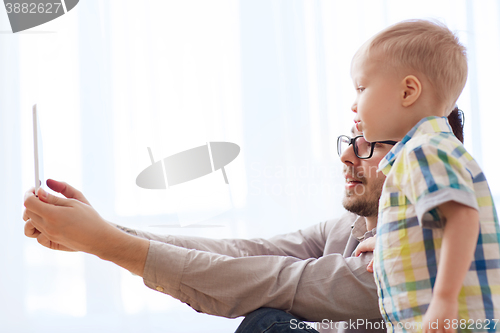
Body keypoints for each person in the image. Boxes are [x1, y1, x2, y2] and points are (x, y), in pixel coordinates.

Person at [22, 108, 465, 333]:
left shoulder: (417, 258)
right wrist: (100, 233)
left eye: (370, 144)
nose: (348, 154)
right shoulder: (346, 231)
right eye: (351, 139)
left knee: (269, 322)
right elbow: (245, 253)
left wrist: (106, 244)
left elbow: (271, 280)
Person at [350, 19, 500, 332]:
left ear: (408, 91)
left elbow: (462, 218)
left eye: (361, 88)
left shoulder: (423, 150)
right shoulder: (431, 150)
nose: (354, 105)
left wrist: (444, 299)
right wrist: (392, 243)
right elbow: (439, 225)